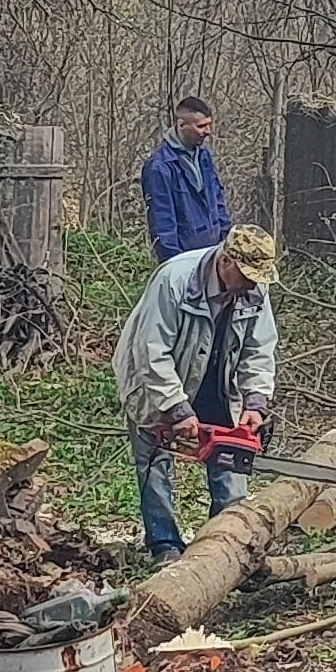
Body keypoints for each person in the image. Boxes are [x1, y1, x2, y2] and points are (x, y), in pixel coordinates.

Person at [114, 224, 281, 561]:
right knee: (154, 461)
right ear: (226, 261)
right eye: (247, 276)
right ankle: (164, 544)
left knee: (232, 463)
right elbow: (152, 351)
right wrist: (176, 408)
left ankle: (225, 544)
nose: (252, 284)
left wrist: (255, 401)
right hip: (156, 380)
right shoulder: (175, 280)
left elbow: (259, 349)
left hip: (218, 382)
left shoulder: (255, 289)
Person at [138, 96, 228, 262]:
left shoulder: (204, 156)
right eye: (201, 126)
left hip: (214, 254)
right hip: (185, 258)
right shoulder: (160, 167)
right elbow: (162, 223)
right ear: (181, 125)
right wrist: (175, 263)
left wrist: (226, 241)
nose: (208, 131)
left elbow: (218, 200)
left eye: (209, 124)